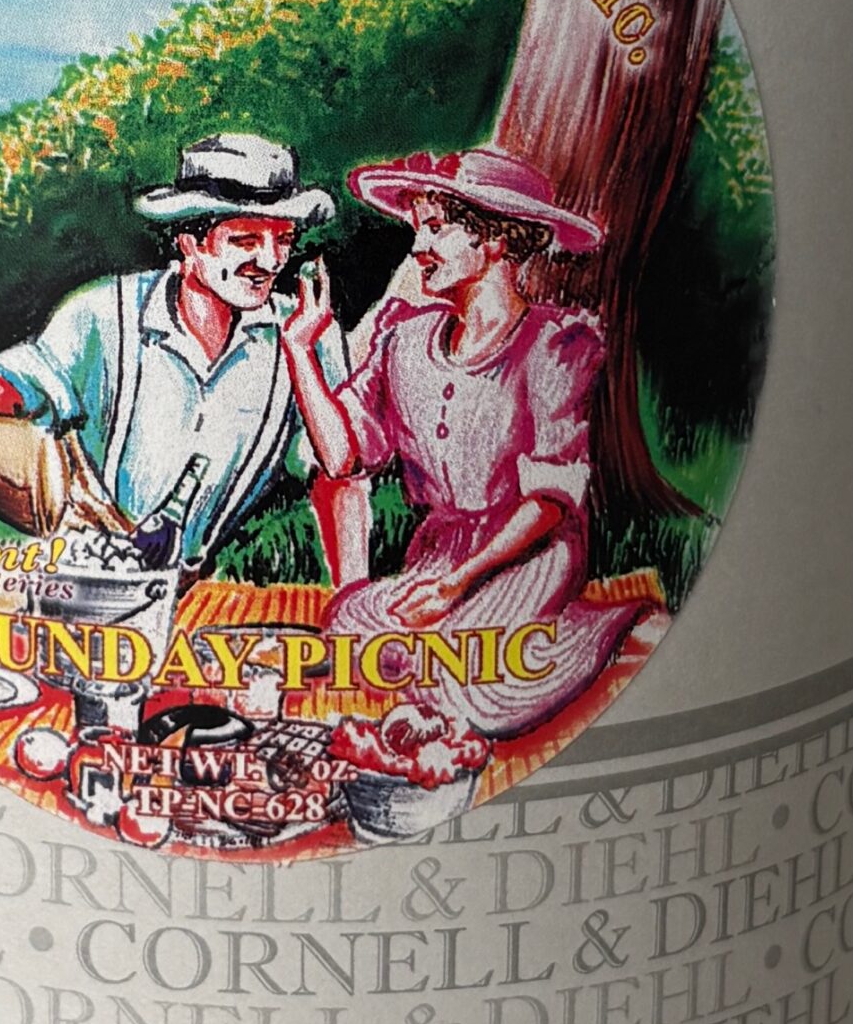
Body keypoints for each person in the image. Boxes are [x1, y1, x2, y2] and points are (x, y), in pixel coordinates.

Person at [278, 145, 651, 741]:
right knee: (353, 627)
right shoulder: (405, 340)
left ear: (496, 240)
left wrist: (459, 581)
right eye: (418, 230)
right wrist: (300, 350)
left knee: (476, 681)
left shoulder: (556, 344)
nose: (419, 249)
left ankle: (602, 629)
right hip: (437, 555)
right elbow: (342, 455)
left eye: (437, 229)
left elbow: (550, 501)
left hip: (528, 555)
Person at [0, 134, 344, 573]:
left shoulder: (303, 332)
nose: (270, 261)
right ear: (189, 243)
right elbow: (15, 391)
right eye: (245, 240)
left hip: (179, 566)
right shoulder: (108, 309)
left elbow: (342, 465)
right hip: (78, 497)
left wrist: (302, 352)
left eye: (283, 240)